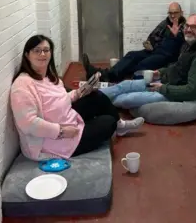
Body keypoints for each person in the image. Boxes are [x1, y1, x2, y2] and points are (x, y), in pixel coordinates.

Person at [9, 35, 144, 161]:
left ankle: (120, 126)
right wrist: (61, 131)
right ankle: (115, 124)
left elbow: (60, 100)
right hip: (51, 140)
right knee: (108, 122)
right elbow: (28, 124)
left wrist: (80, 92)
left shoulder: (48, 77)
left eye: (46, 50)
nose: (42, 54)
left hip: (66, 117)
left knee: (96, 96)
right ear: (27, 55)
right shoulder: (22, 85)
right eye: (37, 51)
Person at [98, 14, 196, 109]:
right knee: (124, 85)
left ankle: (95, 103)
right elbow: (178, 66)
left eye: (194, 27)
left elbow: (191, 91)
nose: (188, 30)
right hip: (164, 81)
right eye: (187, 26)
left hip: (171, 93)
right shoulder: (189, 44)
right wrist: (160, 72)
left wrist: (162, 88)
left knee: (127, 99)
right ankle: (90, 97)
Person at [82, 1, 187, 83]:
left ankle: (104, 75)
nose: (173, 16)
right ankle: (105, 74)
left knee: (141, 64)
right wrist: (149, 43)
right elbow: (153, 36)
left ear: (181, 13)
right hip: (155, 50)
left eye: (176, 13)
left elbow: (182, 49)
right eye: (170, 13)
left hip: (167, 56)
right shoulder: (165, 23)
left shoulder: (185, 27)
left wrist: (175, 36)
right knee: (131, 55)